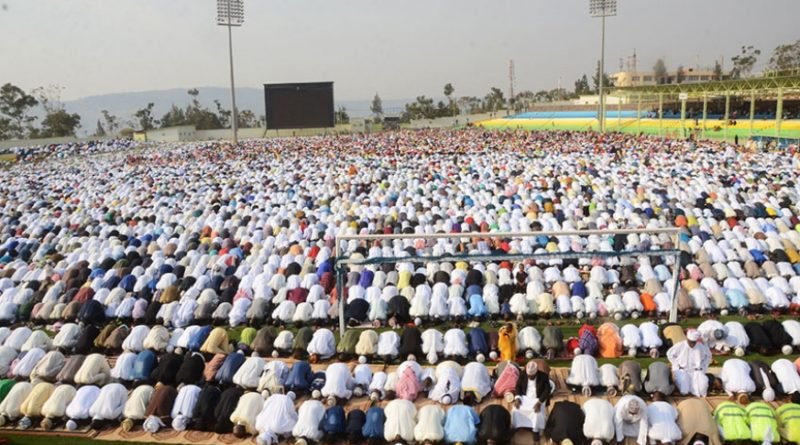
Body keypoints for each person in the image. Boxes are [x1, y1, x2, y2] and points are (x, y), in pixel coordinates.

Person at [511, 360, 553, 438]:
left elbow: (547, 390)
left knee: (536, 413)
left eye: (532, 376)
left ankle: (535, 431)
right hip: (525, 397)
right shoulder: (523, 374)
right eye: (528, 376)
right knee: (515, 410)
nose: (529, 377)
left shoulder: (543, 376)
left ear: (536, 372)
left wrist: (540, 402)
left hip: (538, 398)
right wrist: (517, 398)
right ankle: (517, 426)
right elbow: (518, 386)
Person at [666, 329, 711, 396]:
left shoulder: (700, 346)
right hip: (682, 370)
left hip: (696, 371)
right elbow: (669, 354)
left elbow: (708, 356)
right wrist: (676, 364)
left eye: (694, 342)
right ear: (687, 339)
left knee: (702, 387)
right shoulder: (680, 345)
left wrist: (703, 366)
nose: (692, 344)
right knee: (684, 389)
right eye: (690, 342)